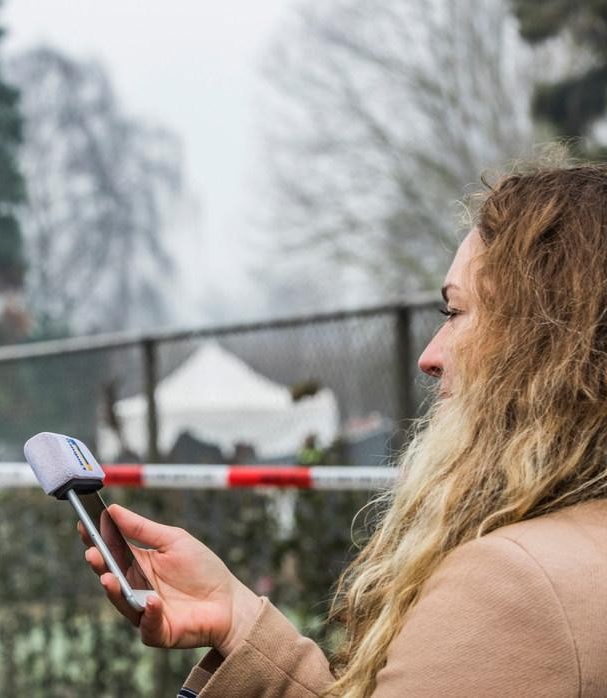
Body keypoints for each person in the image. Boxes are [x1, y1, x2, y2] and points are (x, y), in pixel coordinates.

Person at [85, 163, 607, 696]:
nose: (429, 356)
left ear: (546, 343)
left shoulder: (511, 583)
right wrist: (239, 621)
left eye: (454, 312)